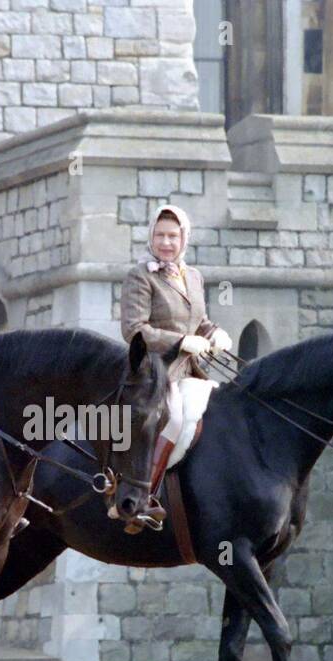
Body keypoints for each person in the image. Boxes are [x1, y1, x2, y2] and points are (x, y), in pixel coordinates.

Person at [120, 204, 231, 495]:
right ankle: (145, 496)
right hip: (154, 373)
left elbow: (199, 321)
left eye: (173, 236)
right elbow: (134, 330)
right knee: (176, 419)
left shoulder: (193, 276)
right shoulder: (140, 276)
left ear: (184, 238)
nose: (166, 243)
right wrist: (180, 342)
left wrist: (214, 333)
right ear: (151, 237)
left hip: (190, 371)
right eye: (160, 235)